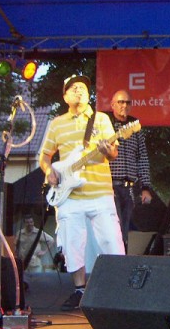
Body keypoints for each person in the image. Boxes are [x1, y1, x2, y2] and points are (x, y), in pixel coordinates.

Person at [39, 74, 125, 311]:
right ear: (65, 96)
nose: (79, 91)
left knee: (112, 241)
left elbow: (113, 153)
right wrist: (49, 171)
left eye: (83, 88)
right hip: (69, 196)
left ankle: (118, 290)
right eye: (74, 88)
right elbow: (44, 156)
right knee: (72, 244)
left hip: (100, 193)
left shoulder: (101, 119)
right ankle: (79, 290)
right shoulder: (57, 124)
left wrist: (107, 150)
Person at [106, 89, 153, 252]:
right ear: (112, 105)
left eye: (127, 102)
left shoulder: (135, 127)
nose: (124, 105)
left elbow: (142, 158)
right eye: (120, 102)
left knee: (124, 231)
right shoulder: (105, 124)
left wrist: (145, 187)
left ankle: (122, 258)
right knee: (114, 228)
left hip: (129, 189)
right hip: (109, 186)